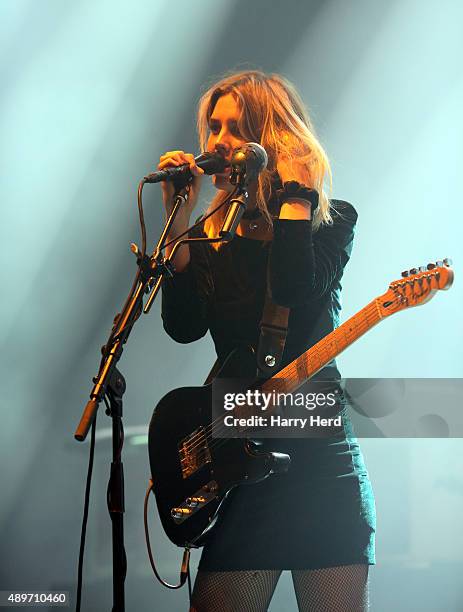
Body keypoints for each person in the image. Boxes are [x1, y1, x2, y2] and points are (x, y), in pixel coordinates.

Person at [158, 70, 376, 612]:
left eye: (236, 128)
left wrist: (297, 194)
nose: (218, 143)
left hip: (319, 461)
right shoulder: (209, 232)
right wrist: (177, 220)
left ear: (270, 140)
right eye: (213, 128)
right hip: (238, 460)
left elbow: (293, 287)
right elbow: (183, 326)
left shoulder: (331, 219)